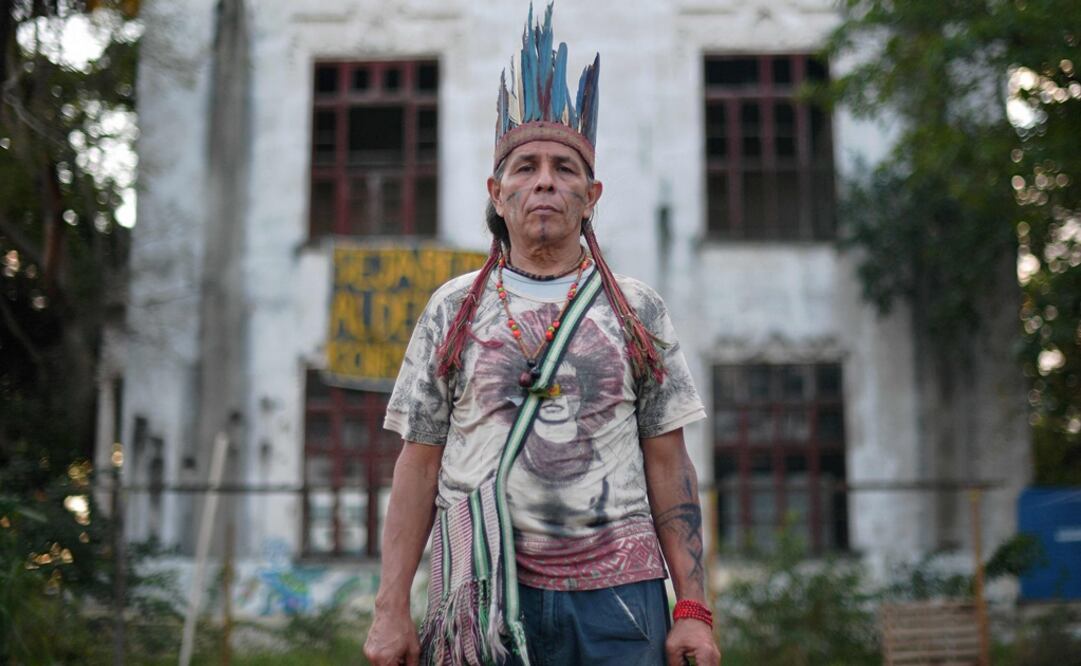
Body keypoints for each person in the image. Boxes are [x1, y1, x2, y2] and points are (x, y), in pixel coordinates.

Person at [363, 4, 721, 665]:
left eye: (564, 168)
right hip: (480, 595)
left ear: (592, 194)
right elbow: (418, 463)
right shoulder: (451, 310)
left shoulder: (635, 308)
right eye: (526, 167)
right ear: (497, 193)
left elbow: (669, 463)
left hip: (618, 606)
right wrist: (390, 610)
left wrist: (693, 611)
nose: (546, 182)